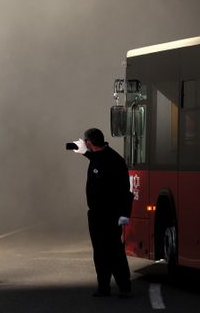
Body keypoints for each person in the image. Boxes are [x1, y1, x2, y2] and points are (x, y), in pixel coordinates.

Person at [72, 127, 132, 298]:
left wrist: (124, 214)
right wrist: (85, 153)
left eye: (86, 142)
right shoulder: (99, 157)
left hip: (110, 214)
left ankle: (124, 286)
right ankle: (103, 286)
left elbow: (123, 190)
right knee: (100, 252)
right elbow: (98, 159)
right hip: (96, 214)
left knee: (114, 251)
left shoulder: (113, 159)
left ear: (90, 143)